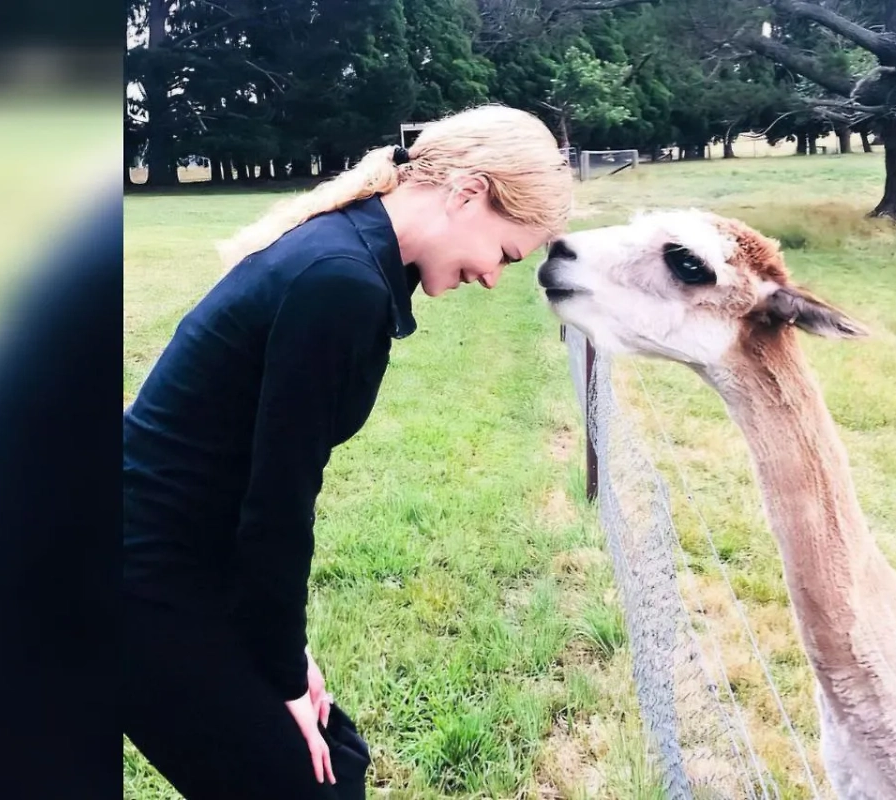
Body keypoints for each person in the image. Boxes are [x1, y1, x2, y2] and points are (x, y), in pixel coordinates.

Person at [122, 104, 573, 799]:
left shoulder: (346, 257)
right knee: (312, 783)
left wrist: (282, 648)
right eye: (507, 254)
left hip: (185, 557)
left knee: (337, 757)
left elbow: (256, 482)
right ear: (466, 194)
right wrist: (280, 672)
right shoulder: (340, 282)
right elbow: (279, 503)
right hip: (137, 576)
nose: (492, 277)